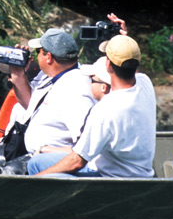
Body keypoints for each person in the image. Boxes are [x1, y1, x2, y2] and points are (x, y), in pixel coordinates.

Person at [28, 34, 156, 178]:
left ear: (108, 65)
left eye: (92, 79)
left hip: (109, 179)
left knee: (36, 166)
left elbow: (77, 161)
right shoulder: (145, 84)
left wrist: (35, 179)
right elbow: (134, 73)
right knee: (37, 162)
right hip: (143, 175)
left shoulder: (105, 109)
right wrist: (126, 43)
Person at [0, 28, 94, 173]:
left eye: (38, 52)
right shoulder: (52, 77)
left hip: (47, 157)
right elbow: (29, 105)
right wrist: (18, 73)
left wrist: (47, 150)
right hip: (27, 149)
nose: (35, 57)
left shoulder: (76, 88)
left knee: (6, 172)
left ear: (48, 57)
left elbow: (86, 144)